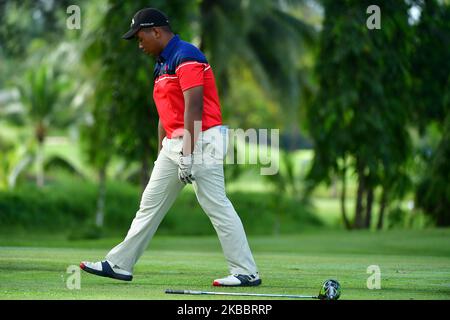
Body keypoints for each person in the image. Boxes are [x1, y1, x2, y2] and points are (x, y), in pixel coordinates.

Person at [80, 8, 261, 287]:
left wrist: (187, 153)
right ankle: (120, 264)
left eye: (141, 38)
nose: (139, 45)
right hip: (174, 144)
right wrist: (161, 154)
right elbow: (166, 116)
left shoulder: (186, 55)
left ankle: (246, 271)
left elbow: (195, 107)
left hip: (203, 139)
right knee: (149, 206)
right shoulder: (162, 63)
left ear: (156, 31)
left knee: (215, 205)